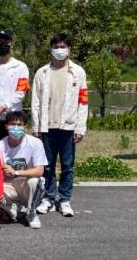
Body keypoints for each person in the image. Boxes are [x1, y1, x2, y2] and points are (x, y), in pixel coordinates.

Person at [31, 33, 88, 217]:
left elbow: (83, 102)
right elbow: (35, 101)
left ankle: (64, 200)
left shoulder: (78, 72)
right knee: (47, 165)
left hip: (68, 126)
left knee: (67, 165)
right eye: (56, 47)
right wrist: (36, 127)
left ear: (69, 49)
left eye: (63, 47)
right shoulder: (42, 72)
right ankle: (48, 198)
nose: (59, 50)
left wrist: (80, 128)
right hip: (47, 126)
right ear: (51, 49)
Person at [0, 111, 47, 229]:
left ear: (25, 127)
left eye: (19, 125)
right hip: (8, 184)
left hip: (26, 183)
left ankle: (31, 212)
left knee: (35, 181)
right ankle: (12, 209)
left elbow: (39, 170)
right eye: (12, 124)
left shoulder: (35, 143)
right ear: (6, 126)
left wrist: (16, 172)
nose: (16, 128)